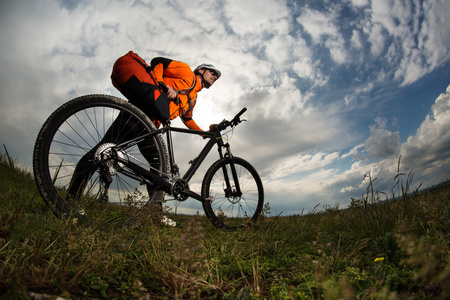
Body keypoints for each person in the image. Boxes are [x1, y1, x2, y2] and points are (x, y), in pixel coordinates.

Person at [67, 51, 220, 224]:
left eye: (217, 76)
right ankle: (70, 202)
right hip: (140, 113)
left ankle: (155, 214)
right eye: (213, 72)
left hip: (150, 128)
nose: (215, 76)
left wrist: (204, 133)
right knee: (102, 151)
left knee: (160, 169)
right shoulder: (186, 72)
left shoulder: (193, 98)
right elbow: (159, 62)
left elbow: (188, 119)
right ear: (201, 71)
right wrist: (162, 85)